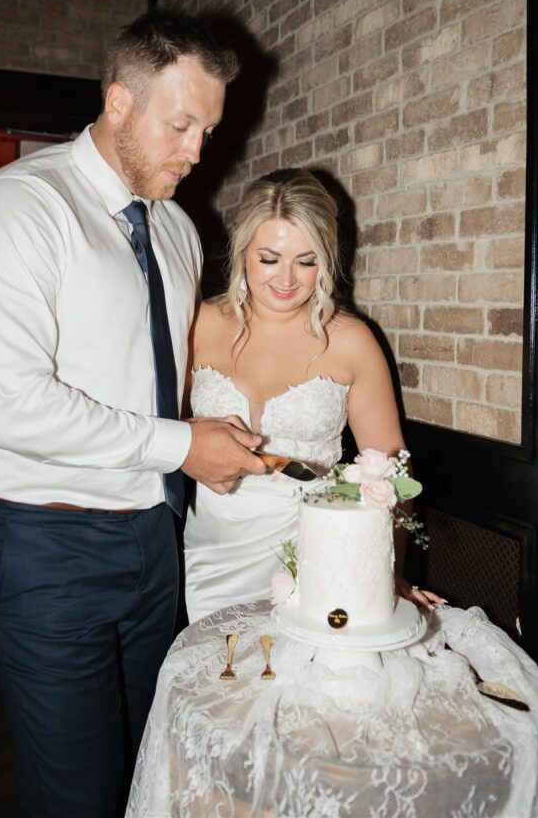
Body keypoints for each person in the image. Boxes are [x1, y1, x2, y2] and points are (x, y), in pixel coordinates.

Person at [0, 10, 266, 818]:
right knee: (75, 794)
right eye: (180, 123)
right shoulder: (21, 205)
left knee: (146, 772)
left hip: (153, 540)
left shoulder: (181, 232)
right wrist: (179, 445)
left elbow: (169, 377)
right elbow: (9, 407)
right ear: (118, 102)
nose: (197, 151)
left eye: (209, 128)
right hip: (44, 546)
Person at [184, 168, 444, 623]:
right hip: (208, 555)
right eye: (269, 258)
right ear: (242, 253)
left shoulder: (351, 340)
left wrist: (391, 571)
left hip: (318, 551)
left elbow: (391, 466)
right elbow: (152, 424)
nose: (287, 278)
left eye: (306, 261)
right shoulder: (198, 324)